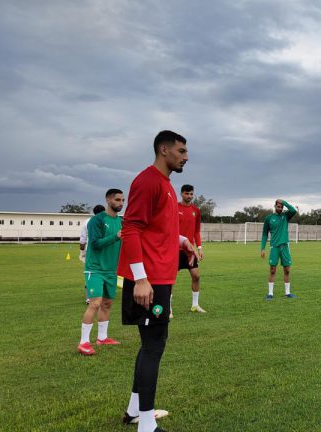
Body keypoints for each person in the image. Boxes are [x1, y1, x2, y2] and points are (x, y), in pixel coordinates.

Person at [118, 130, 195, 432]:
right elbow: (132, 228)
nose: (185, 157)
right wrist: (140, 279)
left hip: (159, 277)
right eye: (181, 150)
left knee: (151, 344)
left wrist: (181, 240)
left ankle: (134, 411)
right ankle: (146, 425)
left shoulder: (165, 185)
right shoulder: (148, 181)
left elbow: (155, 228)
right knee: (153, 347)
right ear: (164, 150)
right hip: (149, 281)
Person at [77, 191, 123, 356]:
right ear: (108, 200)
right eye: (117, 199)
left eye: (122, 200)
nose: (120, 202)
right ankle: (83, 342)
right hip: (95, 269)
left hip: (111, 270)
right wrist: (116, 237)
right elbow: (95, 244)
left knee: (107, 304)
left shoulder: (121, 221)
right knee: (95, 303)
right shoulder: (97, 220)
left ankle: (102, 338)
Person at [175, 184, 206, 315]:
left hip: (190, 251)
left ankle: (195, 305)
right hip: (174, 249)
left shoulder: (196, 210)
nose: (189, 196)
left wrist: (199, 248)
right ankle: (169, 309)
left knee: (196, 276)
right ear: (182, 194)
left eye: (191, 194)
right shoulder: (174, 207)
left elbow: (196, 231)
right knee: (170, 280)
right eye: (187, 194)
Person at [260, 199, 297, 300]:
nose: (280, 209)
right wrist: (262, 248)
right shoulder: (269, 218)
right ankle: (270, 294)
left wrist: (284, 202)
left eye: (281, 207)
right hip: (274, 247)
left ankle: (288, 293)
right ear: (275, 206)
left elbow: (293, 210)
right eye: (278, 207)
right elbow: (264, 234)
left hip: (285, 246)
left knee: (287, 269)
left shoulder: (285, 216)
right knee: (272, 270)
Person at [79, 204, 105, 304]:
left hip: (90, 252)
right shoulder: (107, 221)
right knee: (102, 272)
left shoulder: (87, 221)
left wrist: (82, 252)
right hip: (103, 252)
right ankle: (100, 295)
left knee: (90, 273)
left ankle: (90, 297)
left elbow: (82, 239)